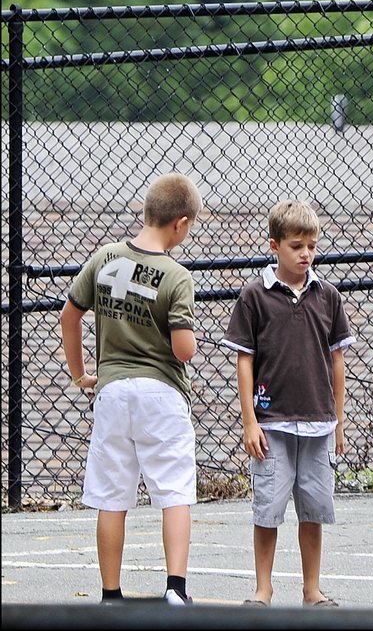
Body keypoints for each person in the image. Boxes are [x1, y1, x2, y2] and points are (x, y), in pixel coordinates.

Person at [58, 172, 203, 605]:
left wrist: (80, 373)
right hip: (161, 393)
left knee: (112, 494)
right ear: (179, 223)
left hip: (112, 390)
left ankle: (110, 593)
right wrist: (189, 336)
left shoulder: (105, 257)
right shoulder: (176, 276)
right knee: (174, 489)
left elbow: (69, 316)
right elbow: (183, 350)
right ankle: (175, 588)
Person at [221, 199, 355, 608]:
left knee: (313, 510)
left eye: (312, 246)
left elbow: (337, 360)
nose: (306, 254)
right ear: (274, 245)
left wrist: (339, 423)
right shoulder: (254, 297)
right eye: (297, 245)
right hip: (271, 424)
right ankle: (263, 589)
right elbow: (245, 360)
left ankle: (311, 590)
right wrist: (249, 422)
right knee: (268, 509)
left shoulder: (327, 296)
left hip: (318, 423)